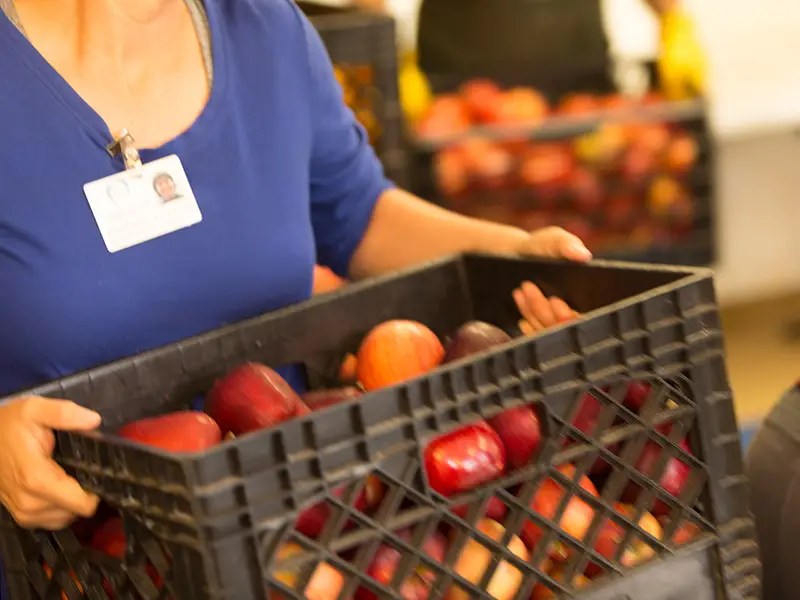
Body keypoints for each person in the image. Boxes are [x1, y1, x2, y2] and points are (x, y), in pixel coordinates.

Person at [0, 0, 591, 588]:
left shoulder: (265, 31)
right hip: (73, 566)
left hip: (298, 542)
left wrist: (514, 256)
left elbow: (356, 212)